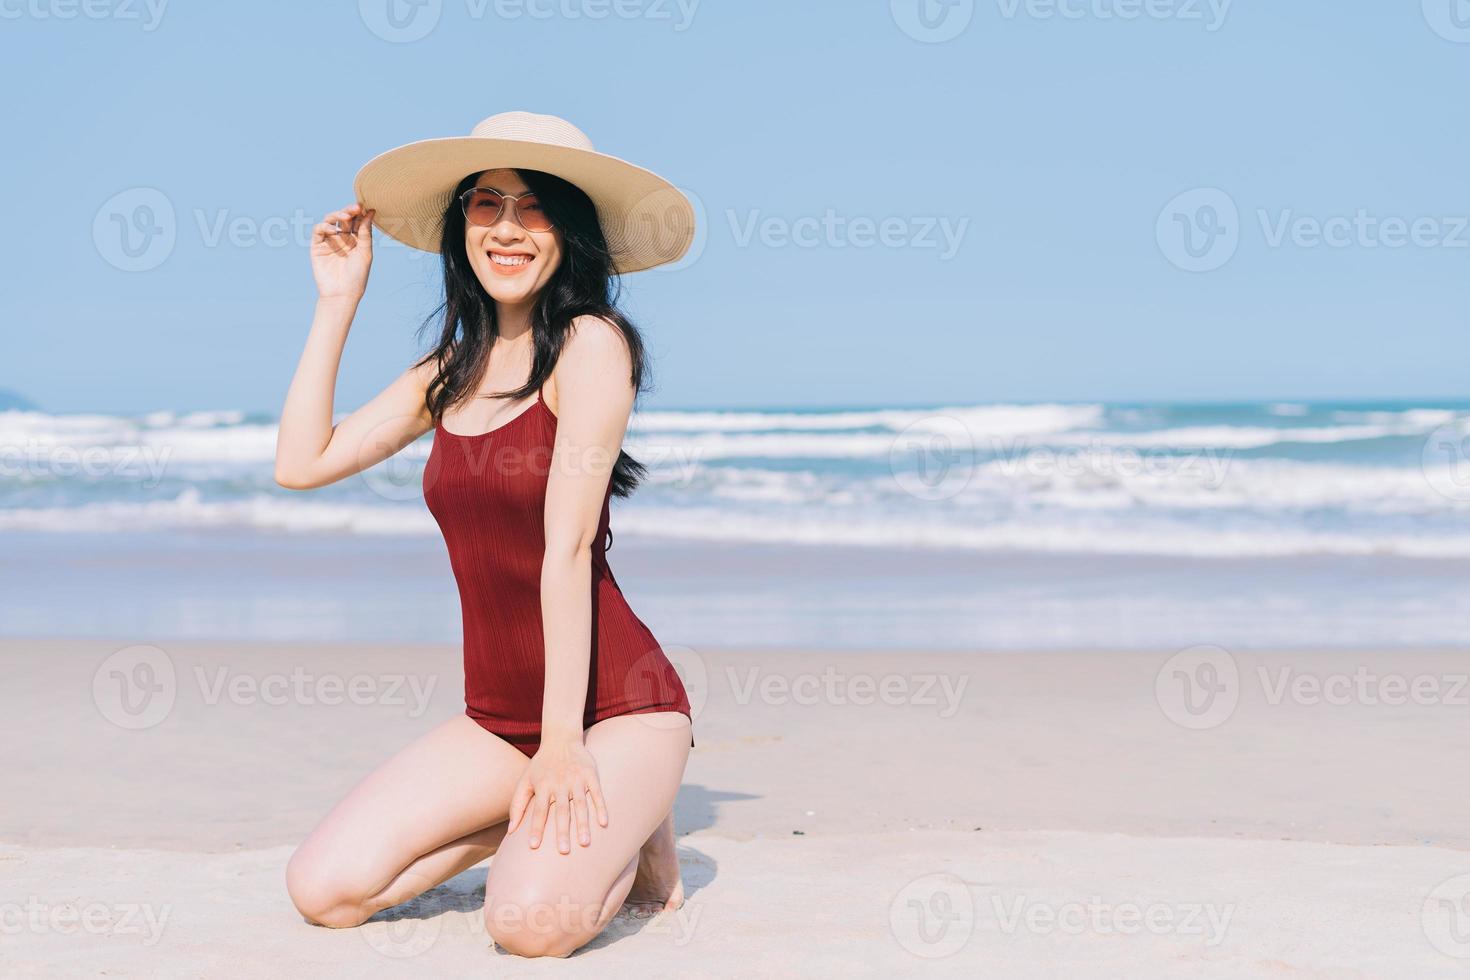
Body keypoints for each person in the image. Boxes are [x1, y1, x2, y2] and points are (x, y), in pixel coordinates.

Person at [272, 111, 698, 959]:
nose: (506, 228)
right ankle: (563, 825)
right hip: (499, 719)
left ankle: (639, 820)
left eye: (534, 207)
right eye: (485, 203)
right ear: (459, 223)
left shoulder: (589, 345)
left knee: (526, 927)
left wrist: (567, 748)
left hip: (616, 706)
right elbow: (301, 462)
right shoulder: (450, 370)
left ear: (569, 232)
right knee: (324, 893)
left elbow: (568, 550)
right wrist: (336, 303)